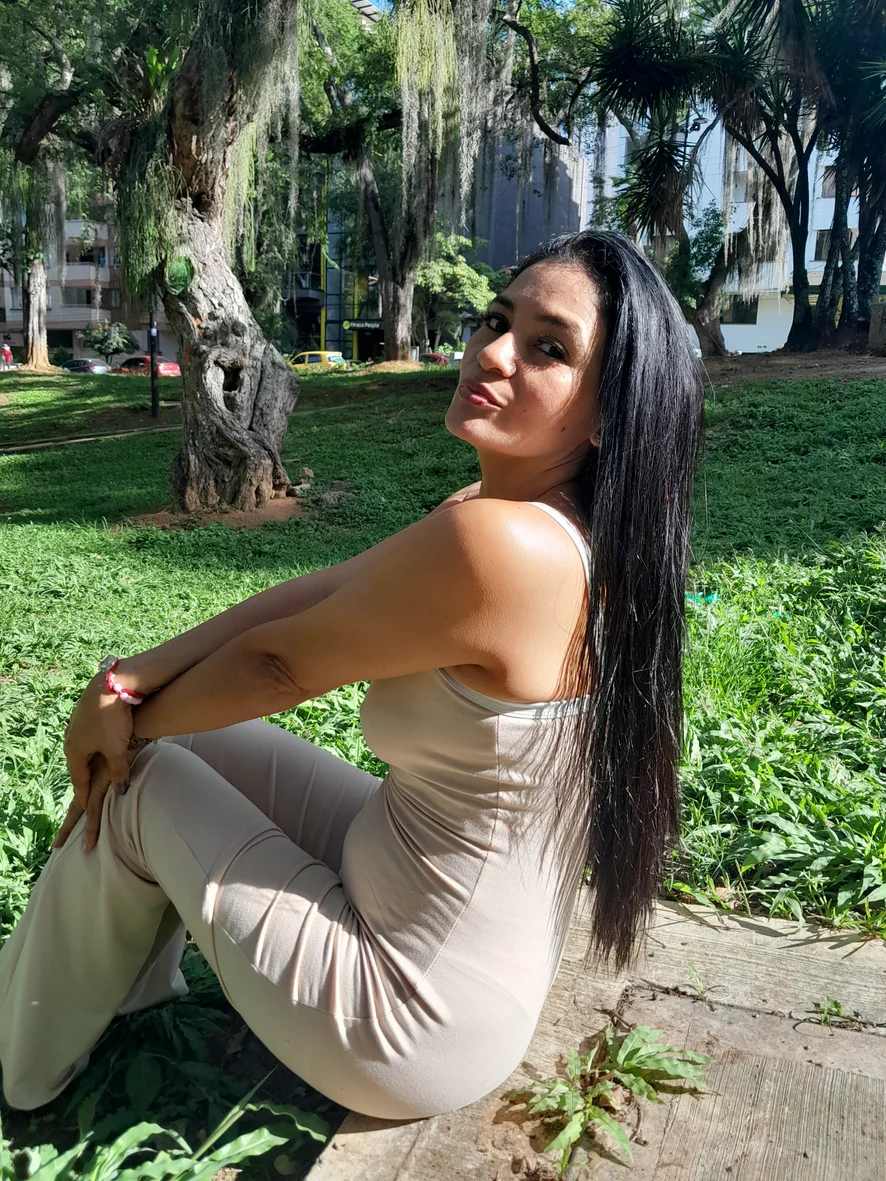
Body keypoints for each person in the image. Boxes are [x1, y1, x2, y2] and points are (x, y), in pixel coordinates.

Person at [0, 230, 703, 1118]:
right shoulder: (536, 518)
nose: (491, 352)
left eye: (548, 348)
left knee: (137, 780)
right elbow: (324, 589)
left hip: (408, 1014)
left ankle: (16, 1052)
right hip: (422, 902)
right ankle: (120, 983)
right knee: (190, 742)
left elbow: (280, 662)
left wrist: (112, 719)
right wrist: (127, 682)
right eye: (496, 320)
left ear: (608, 413)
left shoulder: (504, 545)